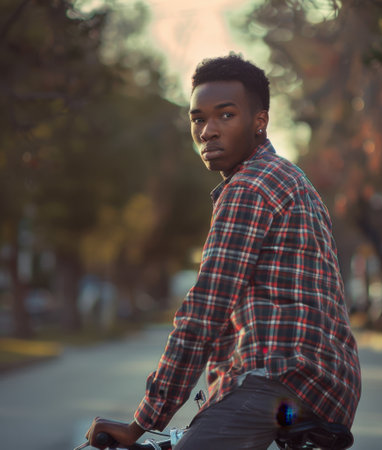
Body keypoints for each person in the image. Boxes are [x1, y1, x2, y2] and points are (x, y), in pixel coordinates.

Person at [86, 54, 361, 449]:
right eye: (198, 119)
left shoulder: (249, 187)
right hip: (326, 384)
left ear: (259, 121)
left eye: (226, 116)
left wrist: (142, 422)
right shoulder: (288, 177)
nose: (208, 131)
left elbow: (204, 311)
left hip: (282, 377)